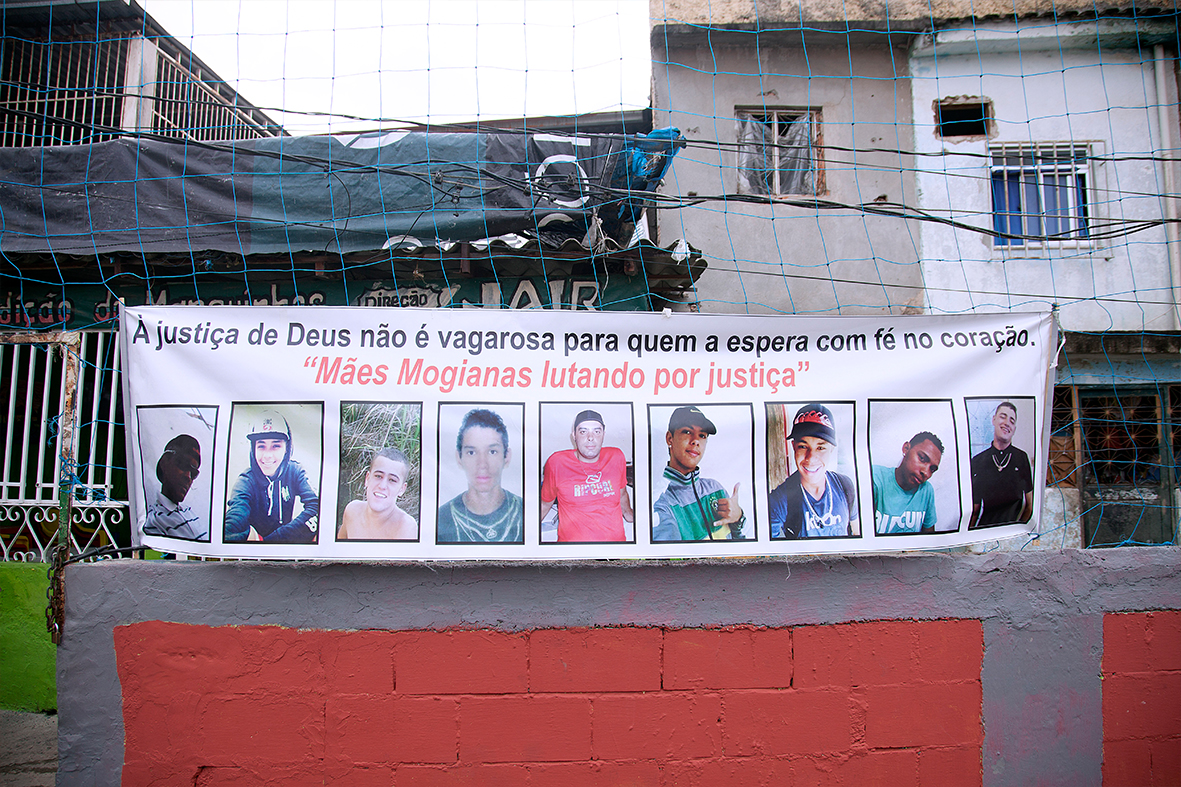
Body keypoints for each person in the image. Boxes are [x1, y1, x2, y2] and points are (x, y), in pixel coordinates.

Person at [224, 409, 320, 543]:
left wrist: (272, 541)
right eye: (261, 446)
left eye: (275, 446)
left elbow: (316, 506)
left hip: (277, 545)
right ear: (253, 450)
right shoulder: (245, 481)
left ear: (287, 449)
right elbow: (235, 517)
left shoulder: (295, 471)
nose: (267, 456)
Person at [652, 406, 746, 541]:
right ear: (669, 438)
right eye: (687, 431)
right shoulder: (661, 500)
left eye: (702, 435)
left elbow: (743, 543)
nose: (696, 441)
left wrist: (738, 517)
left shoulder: (715, 488)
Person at [540, 410, 635, 542]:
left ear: (603, 435)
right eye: (583, 431)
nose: (590, 437)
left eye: (597, 431)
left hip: (614, 551)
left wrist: (630, 516)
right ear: (574, 435)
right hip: (574, 554)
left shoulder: (616, 456)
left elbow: (622, 493)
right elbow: (545, 504)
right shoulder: (557, 462)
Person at [768, 403, 858, 539]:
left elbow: (856, 533)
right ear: (794, 447)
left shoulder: (845, 486)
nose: (811, 458)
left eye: (820, 448)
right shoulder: (779, 501)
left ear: (832, 449)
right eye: (803, 446)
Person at [436, 408, 523, 543]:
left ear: (507, 457)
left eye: (492, 451)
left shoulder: (526, 512)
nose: (482, 464)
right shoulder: (440, 519)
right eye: (471, 452)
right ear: (459, 458)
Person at [969, 402, 1034, 528]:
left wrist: (1018, 530)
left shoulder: (1021, 458)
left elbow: (1030, 506)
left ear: (1014, 428)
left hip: (1010, 533)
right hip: (984, 531)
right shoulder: (978, 461)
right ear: (994, 420)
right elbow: (974, 511)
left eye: (1012, 420)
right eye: (1003, 416)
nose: (1006, 423)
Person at [338, 447, 418, 540]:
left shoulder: (406, 527)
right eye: (378, 476)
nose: (382, 486)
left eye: (392, 480)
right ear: (367, 479)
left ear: (402, 489)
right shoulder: (352, 511)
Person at [872, 431, 943, 534]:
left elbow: (929, 538)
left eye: (932, 469)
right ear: (906, 448)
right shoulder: (875, 477)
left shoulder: (926, 490)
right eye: (922, 458)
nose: (926, 473)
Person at [143, 434, 207, 540]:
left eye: (193, 473)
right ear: (165, 463)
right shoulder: (155, 521)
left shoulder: (188, 511)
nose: (188, 477)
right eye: (183, 465)